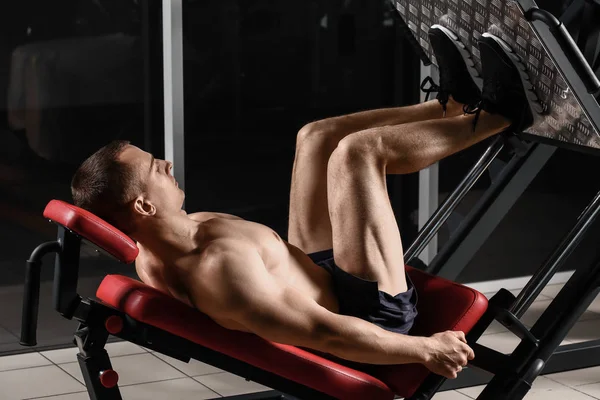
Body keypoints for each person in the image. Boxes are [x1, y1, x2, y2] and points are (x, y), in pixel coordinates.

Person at [70, 27, 539, 380]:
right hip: (367, 313)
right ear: (145, 208)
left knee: (314, 138)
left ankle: (453, 106)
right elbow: (324, 334)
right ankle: (501, 114)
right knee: (359, 153)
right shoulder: (220, 276)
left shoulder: (159, 240)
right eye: (155, 169)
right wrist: (425, 350)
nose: (168, 164)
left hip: (316, 272)